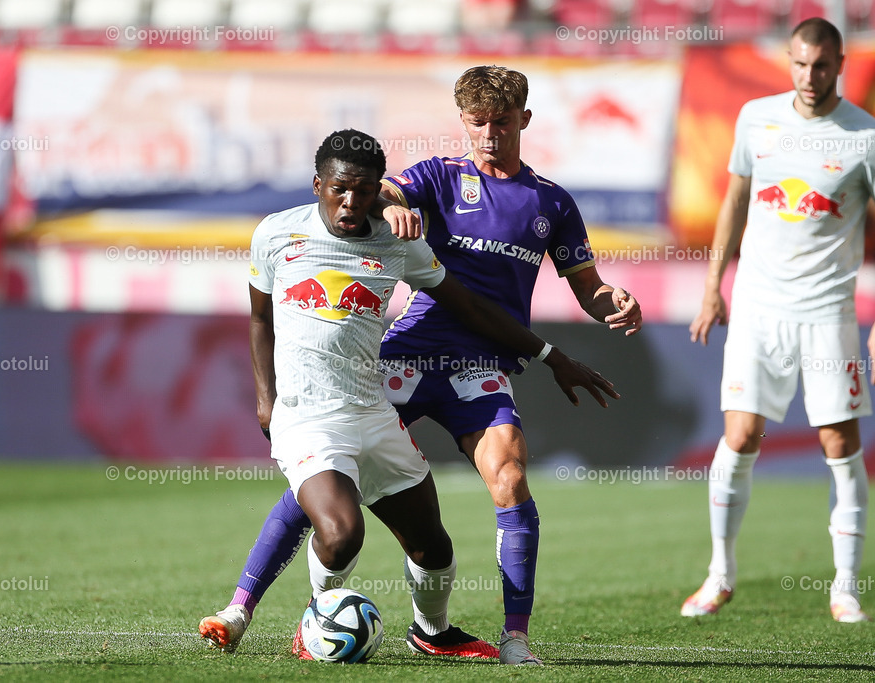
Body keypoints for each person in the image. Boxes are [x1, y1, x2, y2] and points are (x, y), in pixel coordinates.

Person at [200, 67, 643, 665]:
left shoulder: (551, 203)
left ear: (525, 122)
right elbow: (381, 191)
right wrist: (396, 205)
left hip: (480, 363)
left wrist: (607, 300)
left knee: (509, 477)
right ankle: (246, 605)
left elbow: (585, 285)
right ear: (463, 122)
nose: (488, 133)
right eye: (477, 121)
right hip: (408, 354)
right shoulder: (437, 176)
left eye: (502, 121)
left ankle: (512, 638)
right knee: (325, 463)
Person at [682, 18, 873, 623]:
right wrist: (713, 288)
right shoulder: (756, 118)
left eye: (820, 66)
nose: (808, 77)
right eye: (799, 64)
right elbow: (734, 200)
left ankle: (844, 587)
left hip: (827, 311)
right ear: (787, 62)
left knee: (839, 444)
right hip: (759, 307)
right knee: (739, 437)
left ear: (840, 64)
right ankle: (719, 575)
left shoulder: (865, 136)